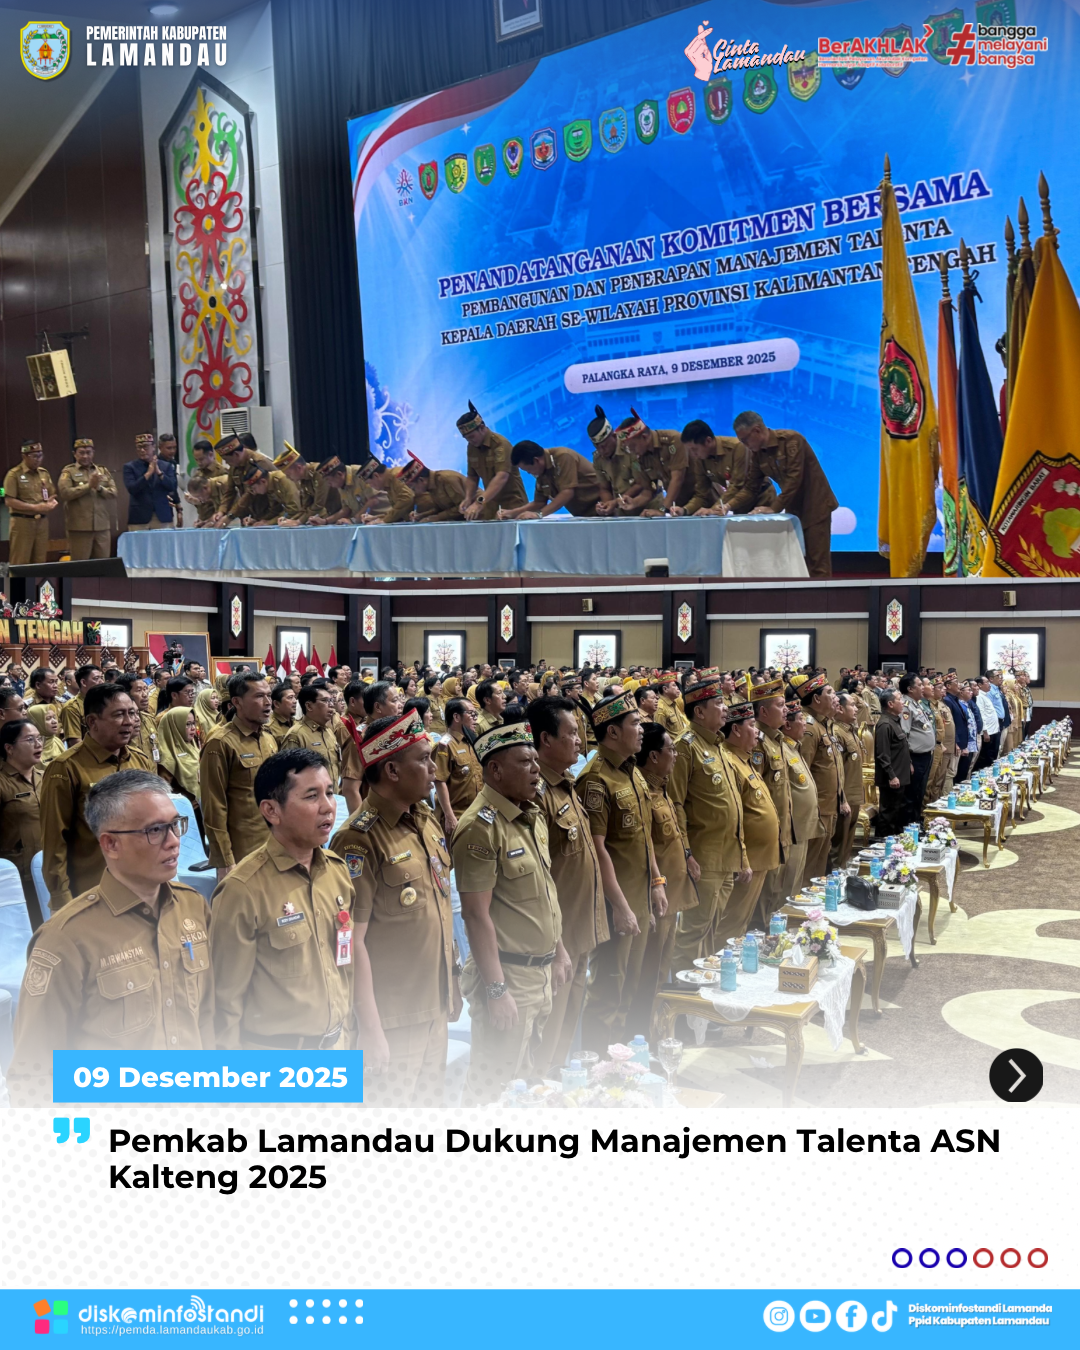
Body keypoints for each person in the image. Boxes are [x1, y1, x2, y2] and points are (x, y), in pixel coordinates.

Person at [7, 771, 212, 1105]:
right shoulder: (67, 938)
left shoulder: (193, 907)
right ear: (110, 844)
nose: (174, 840)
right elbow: (34, 1074)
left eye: (176, 825)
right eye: (155, 830)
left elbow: (207, 1017)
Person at [329, 712, 456, 1105]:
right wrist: (369, 1028)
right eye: (424, 759)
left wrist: (450, 989)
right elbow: (351, 942)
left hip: (434, 1004)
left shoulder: (425, 819)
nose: (434, 770)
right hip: (392, 1018)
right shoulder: (358, 839)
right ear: (392, 771)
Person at [453, 720, 571, 1103]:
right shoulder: (480, 827)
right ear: (496, 770)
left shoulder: (529, 815)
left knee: (528, 1082)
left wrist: (558, 951)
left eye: (536, 760)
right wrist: (496, 989)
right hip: (509, 976)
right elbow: (475, 916)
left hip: (539, 973)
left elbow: (543, 894)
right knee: (493, 1087)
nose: (536, 769)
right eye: (524, 762)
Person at [210, 748, 354, 1050]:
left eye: (330, 793)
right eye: (312, 796)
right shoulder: (243, 890)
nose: (328, 807)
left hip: (338, 1044)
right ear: (271, 811)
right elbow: (225, 1001)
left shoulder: (337, 872)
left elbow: (345, 965)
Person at [576, 692, 667, 1050]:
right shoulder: (595, 780)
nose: (642, 729)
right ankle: (597, 1063)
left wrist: (657, 881)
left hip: (639, 896)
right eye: (635, 723)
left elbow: (644, 835)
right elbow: (597, 851)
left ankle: (619, 1063)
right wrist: (621, 906)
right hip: (616, 905)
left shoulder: (632, 772)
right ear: (612, 732)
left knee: (629, 986)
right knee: (608, 991)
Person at [527, 696, 609, 1075]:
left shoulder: (566, 784)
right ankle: (543, 1089)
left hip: (580, 929)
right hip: (557, 938)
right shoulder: (537, 793)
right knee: (549, 1031)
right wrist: (558, 943)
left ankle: (559, 1082)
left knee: (568, 1023)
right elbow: (540, 876)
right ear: (546, 739)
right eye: (572, 733)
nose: (580, 741)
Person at [40, 683, 153, 910]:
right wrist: (62, 901)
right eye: (119, 715)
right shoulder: (66, 768)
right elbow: (55, 841)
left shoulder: (140, 760)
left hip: (142, 884)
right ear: (92, 721)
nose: (129, 721)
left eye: (132, 713)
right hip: (93, 891)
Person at [630, 721, 695, 1030]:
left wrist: (687, 856)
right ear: (653, 756)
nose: (676, 755)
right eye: (671, 750)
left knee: (660, 968)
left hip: (672, 895)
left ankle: (655, 1026)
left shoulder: (661, 786)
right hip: (656, 898)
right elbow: (643, 849)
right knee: (647, 970)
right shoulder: (643, 792)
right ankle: (641, 1031)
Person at [726, 410, 838, 578]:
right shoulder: (758, 454)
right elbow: (750, 488)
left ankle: (822, 595)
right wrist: (726, 506)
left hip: (815, 506)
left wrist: (773, 508)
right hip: (794, 510)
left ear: (756, 430)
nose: (744, 445)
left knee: (817, 565)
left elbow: (795, 479)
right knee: (798, 562)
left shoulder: (791, 440)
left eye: (745, 440)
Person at [199, 671, 277, 879]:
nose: (268, 702)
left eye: (269, 695)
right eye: (259, 696)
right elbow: (214, 805)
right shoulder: (220, 743)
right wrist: (224, 859)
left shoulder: (268, 738)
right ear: (237, 702)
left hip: (274, 843)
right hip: (243, 851)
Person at [718, 702, 780, 946]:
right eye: (752, 725)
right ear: (736, 729)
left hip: (759, 856)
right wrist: (742, 857)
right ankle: (720, 962)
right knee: (731, 921)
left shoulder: (744, 760)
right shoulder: (730, 762)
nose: (757, 731)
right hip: (747, 857)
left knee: (741, 922)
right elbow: (733, 816)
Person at [789, 672, 847, 885]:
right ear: (816, 698)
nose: (835, 697)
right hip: (817, 810)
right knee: (810, 867)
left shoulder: (823, 724)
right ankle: (804, 901)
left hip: (828, 806)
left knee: (820, 864)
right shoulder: (809, 728)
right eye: (830, 692)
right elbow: (800, 773)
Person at [748, 678, 794, 918]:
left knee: (776, 888)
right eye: (780, 705)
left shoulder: (777, 740)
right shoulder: (758, 743)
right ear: (763, 712)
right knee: (764, 894)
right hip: (766, 832)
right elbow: (755, 792)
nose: (786, 710)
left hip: (782, 827)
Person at [0, 718, 45, 925]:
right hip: (17, 874)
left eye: (39, 738)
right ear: (9, 748)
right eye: (30, 739)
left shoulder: (46, 776)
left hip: (50, 868)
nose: (38, 744)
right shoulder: (3, 782)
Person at [680, 419, 776, 515]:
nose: (693, 454)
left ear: (708, 441)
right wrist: (684, 510)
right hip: (738, 504)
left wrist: (713, 509)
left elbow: (738, 485)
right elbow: (701, 494)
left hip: (762, 499)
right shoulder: (700, 458)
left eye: (694, 449)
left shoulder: (737, 447)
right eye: (689, 450)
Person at [457, 401, 528, 521]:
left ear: (482, 428)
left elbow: (502, 477)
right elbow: (472, 476)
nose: (470, 441)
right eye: (467, 439)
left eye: (472, 437)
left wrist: (479, 502)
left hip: (513, 504)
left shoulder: (500, 444)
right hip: (490, 503)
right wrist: (468, 498)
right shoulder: (472, 447)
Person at [587, 406, 659, 517]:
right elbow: (604, 488)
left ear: (614, 437)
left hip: (648, 507)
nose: (601, 451)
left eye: (604, 446)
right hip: (624, 512)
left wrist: (615, 502)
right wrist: (606, 506)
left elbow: (640, 484)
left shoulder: (631, 448)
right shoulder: (598, 459)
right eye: (597, 447)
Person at [616, 408, 689, 514]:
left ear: (645, 437)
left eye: (633, 446)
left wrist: (662, 510)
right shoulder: (641, 456)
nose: (631, 451)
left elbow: (677, 479)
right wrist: (634, 502)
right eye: (628, 448)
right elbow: (648, 491)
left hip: (698, 501)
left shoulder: (673, 440)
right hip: (676, 506)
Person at [507, 441, 601, 518]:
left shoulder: (563, 457)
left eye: (529, 470)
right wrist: (512, 513)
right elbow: (539, 502)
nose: (529, 473)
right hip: (584, 516)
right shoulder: (541, 472)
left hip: (601, 508)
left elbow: (567, 492)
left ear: (536, 460)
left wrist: (539, 514)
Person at [58, 439, 117, 558]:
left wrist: (99, 488)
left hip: (102, 526)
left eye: (88, 452)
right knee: (81, 565)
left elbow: (113, 492)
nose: (85, 456)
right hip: (80, 528)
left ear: (93, 453)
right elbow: (65, 493)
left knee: (103, 564)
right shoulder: (69, 471)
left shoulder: (102, 470)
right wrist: (88, 486)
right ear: (74, 454)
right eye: (81, 453)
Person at [433, 697, 483, 835]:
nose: (475, 719)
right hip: (458, 815)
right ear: (456, 717)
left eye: (476, 714)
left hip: (477, 812)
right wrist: (449, 816)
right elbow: (439, 781)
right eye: (471, 714)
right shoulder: (445, 745)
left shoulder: (472, 741)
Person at [4, 441, 58, 564]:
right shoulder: (14, 475)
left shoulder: (44, 473)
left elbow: (51, 494)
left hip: (41, 523)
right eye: (34, 456)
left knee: (40, 561)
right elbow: (9, 501)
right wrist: (35, 507)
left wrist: (51, 503)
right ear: (24, 456)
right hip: (22, 523)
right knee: (20, 561)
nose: (38, 459)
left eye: (40, 455)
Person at [283, 679, 341, 790]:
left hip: (332, 795)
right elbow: (289, 777)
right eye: (325, 701)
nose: (331, 705)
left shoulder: (328, 731)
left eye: (331, 700)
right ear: (309, 706)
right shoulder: (296, 734)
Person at [830, 692, 865, 867]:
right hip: (844, 797)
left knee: (847, 843)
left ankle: (842, 871)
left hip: (854, 793)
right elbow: (836, 769)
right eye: (852, 705)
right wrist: (841, 797)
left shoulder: (850, 731)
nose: (856, 708)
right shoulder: (837, 733)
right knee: (838, 844)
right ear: (840, 709)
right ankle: (833, 876)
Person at [898, 674, 935, 824]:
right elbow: (904, 735)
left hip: (925, 755)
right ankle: (908, 827)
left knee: (920, 792)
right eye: (919, 685)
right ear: (910, 689)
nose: (923, 688)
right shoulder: (906, 706)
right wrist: (908, 761)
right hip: (915, 757)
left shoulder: (916, 703)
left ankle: (916, 824)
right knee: (911, 795)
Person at [874, 689, 911, 836]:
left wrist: (909, 763)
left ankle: (894, 842)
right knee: (888, 814)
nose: (903, 702)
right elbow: (882, 754)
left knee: (896, 812)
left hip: (900, 774)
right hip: (892, 778)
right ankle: (882, 843)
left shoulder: (895, 721)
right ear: (890, 704)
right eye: (899, 699)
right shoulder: (884, 724)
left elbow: (900, 747)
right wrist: (891, 776)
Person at [156, 705, 202, 820]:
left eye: (193, 723)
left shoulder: (192, 746)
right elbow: (164, 792)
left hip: (201, 807)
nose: (193, 728)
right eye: (187, 724)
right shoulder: (167, 756)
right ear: (175, 727)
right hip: (184, 813)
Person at [123, 432, 176, 530]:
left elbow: (172, 486)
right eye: (139, 447)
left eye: (145, 447)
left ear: (153, 447)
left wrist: (159, 473)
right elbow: (132, 489)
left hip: (162, 515)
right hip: (139, 516)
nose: (142, 450)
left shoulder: (166, 466)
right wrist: (148, 473)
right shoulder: (130, 467)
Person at [226, 463, 299, 526]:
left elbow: (294, 509)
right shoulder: (269, 486)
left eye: (254, 488)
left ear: (263, 481)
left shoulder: (282, 479)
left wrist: (269, 523)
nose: (254, 492)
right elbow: (275, 510)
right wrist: (258, 521)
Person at [273, 443, 328, 524]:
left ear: (299, 468)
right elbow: (305, 507)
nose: (287, 478)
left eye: (288, 474)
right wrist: (289, 520)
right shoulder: (303, 479)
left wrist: (298, 522)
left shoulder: (318, 472)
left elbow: (318, 505)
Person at [404, 459, 469, 522]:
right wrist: (422, 515)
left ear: (421, 480)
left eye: (413, 488)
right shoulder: (431, 487)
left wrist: (437, 518)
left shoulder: (446, 479)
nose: (413, 492)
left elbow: (463, 507)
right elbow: (442, 509)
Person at [26, 702, 65, 767]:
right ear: (37, 722)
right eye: (48, 718)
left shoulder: (57, 741)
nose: (54, 721)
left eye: (54, 717)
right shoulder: (30, 747)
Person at [654, 672, 688, 740]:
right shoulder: (660, 708)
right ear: (665, 689)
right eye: (674, 686)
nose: (678, 688)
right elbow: (659, 735)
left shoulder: (673, 703)